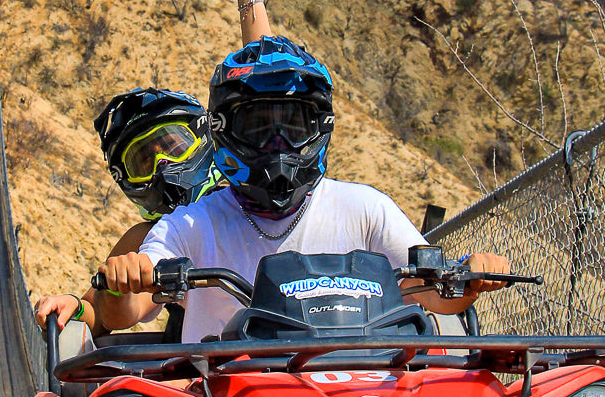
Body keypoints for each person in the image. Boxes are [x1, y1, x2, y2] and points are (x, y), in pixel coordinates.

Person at [97, 35, 511, 342]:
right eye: (259, 126)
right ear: (225, 131)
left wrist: (471, 277)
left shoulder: (365, 209)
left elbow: (436, 297)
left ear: (320, 129)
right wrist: (125, 280)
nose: (277, 143)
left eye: (292, 126)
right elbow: (129, 310)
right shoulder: (191, 223)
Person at [34, 0, 274, 337]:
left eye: (173, 145)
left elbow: (264, 93)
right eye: (144, 161)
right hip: (211, 377)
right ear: (128, 180)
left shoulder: (257, 188)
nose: (163, 166)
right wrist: (76, 305)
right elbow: (107, 314)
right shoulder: (153, 236)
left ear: (204, 138)